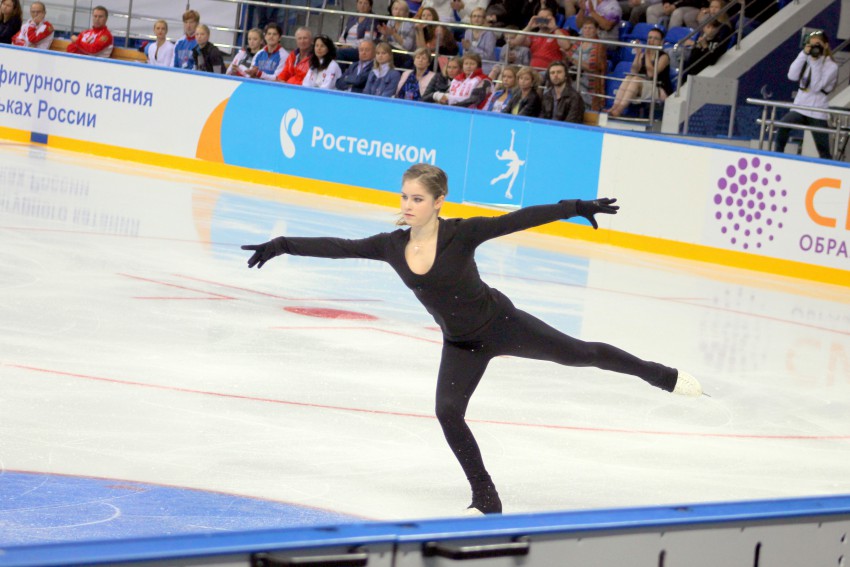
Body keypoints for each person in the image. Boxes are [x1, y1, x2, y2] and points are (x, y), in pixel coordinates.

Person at [241, 163, 703, 515]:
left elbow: (518, 219)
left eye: (418, 198)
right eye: (404, 196)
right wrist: (282, 244)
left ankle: (658, 374)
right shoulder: (390, 245)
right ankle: (485, 495)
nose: (408, 205)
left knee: (581, 354)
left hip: (502, 324)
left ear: (438, 202)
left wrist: (575, 207)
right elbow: (339, 247)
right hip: (460, 343)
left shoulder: (462, 234)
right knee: (447, 412)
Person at [774, 30, 838, 160]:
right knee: (783, 126)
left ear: (825, 45)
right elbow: (791, 76)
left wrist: (816, 63)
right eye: (811, 45)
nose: (815, 48)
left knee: (823, 148)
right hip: (800, 107)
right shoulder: (806, 59)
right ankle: (776, 156)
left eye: (818, 44)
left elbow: (816, 87)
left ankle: (829, 167)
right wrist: (803, 54)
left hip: (817, 111)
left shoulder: (831, 66)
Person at [608, 27, 671, 117]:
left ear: (661, 42)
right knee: (629, 77)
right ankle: (614, 107)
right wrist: (638, 54)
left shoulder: (664, 57)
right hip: (643, 85)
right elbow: (633, 71)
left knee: (636, 79)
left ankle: (619, 110)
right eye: (650, 38)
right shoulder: (643, 55)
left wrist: (647, 54)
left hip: (658, 87)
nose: (651, 40)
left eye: (655, 38)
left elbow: (651, 74)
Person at [563, 19, 607, 110]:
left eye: (590, 28)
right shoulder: (578, 42)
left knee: (570, 86)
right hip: (573, 73)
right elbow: (568, 58)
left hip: (588, 77)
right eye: (585, 28)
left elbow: (592, 68)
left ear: (596, 30)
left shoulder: (599, 46)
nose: (587, 30)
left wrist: (572, 59)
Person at [378, 0, 416, 67]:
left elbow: (408, 46)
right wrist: (384, 35)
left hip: (404, 53)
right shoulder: (391, 21)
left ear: (406, 13)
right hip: (391, 50)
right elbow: (385, 41)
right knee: (376, 43)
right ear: (392, 11)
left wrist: (393, 34)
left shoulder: (410, 25)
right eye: (395, 9)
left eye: (401, 10)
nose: (397, 12)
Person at [461, 8, 497, 73]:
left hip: (485, 64)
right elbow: (465, 52)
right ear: (471, 18)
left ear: (484, 19)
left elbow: (487, 56)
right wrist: (466, 49)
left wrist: (470, 48)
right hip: (470, 62)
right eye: (474, 16)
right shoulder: (468, 32)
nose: (476, 19)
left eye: (479, 16)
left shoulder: (489, 34)